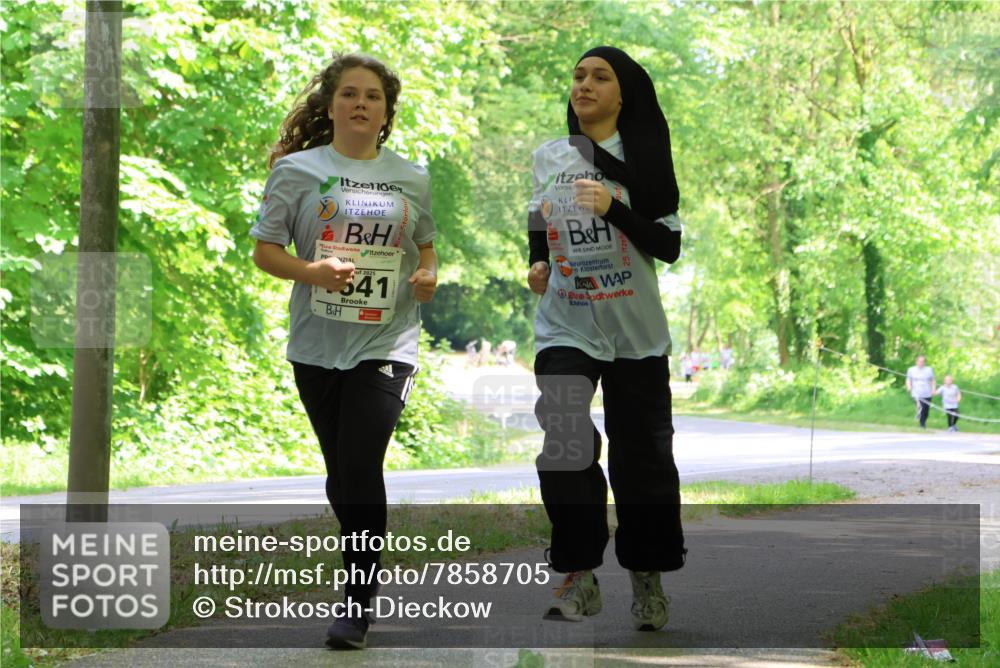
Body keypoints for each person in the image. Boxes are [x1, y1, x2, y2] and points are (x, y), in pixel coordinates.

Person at [251, 53, 437, 650]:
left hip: (387, 341)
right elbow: (265, 251)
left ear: (386, 112)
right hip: (316, 344)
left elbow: (426, 246)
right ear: (330, 105)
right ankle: (359, 580)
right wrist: (313, 271)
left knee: (360, 465)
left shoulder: (412, 176)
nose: (362, 103)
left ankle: (356, 605)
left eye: (374, 96)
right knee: (341, 476)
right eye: (351, 94)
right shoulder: (298, 172)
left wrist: (427, 274)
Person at [526, 46, 685, 632]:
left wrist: (614, 208)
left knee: (642, 459)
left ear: (624, 94)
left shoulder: (645, 158)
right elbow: (539, 217)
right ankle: (577, 571)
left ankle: (646, 575)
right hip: (566, 319)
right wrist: (537, 261)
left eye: (600, 77)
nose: (585, 84)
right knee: (565, 439)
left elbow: (667, 246)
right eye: (578, 76)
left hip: (634, 329)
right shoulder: (551, 156)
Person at [905, 355, 935, 429]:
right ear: (916, 362)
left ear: (924, 362)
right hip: (916, 393)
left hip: (927, 393)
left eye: (922, 361)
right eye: (919, 361)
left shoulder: (929, 370)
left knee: (926, 410)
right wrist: (909, 386)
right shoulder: (911, 370)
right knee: (920, 406)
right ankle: (922, 424)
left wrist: (933, 389)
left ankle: (923, 420)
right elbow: (908, 379)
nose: (921, 363)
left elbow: (933, 380)